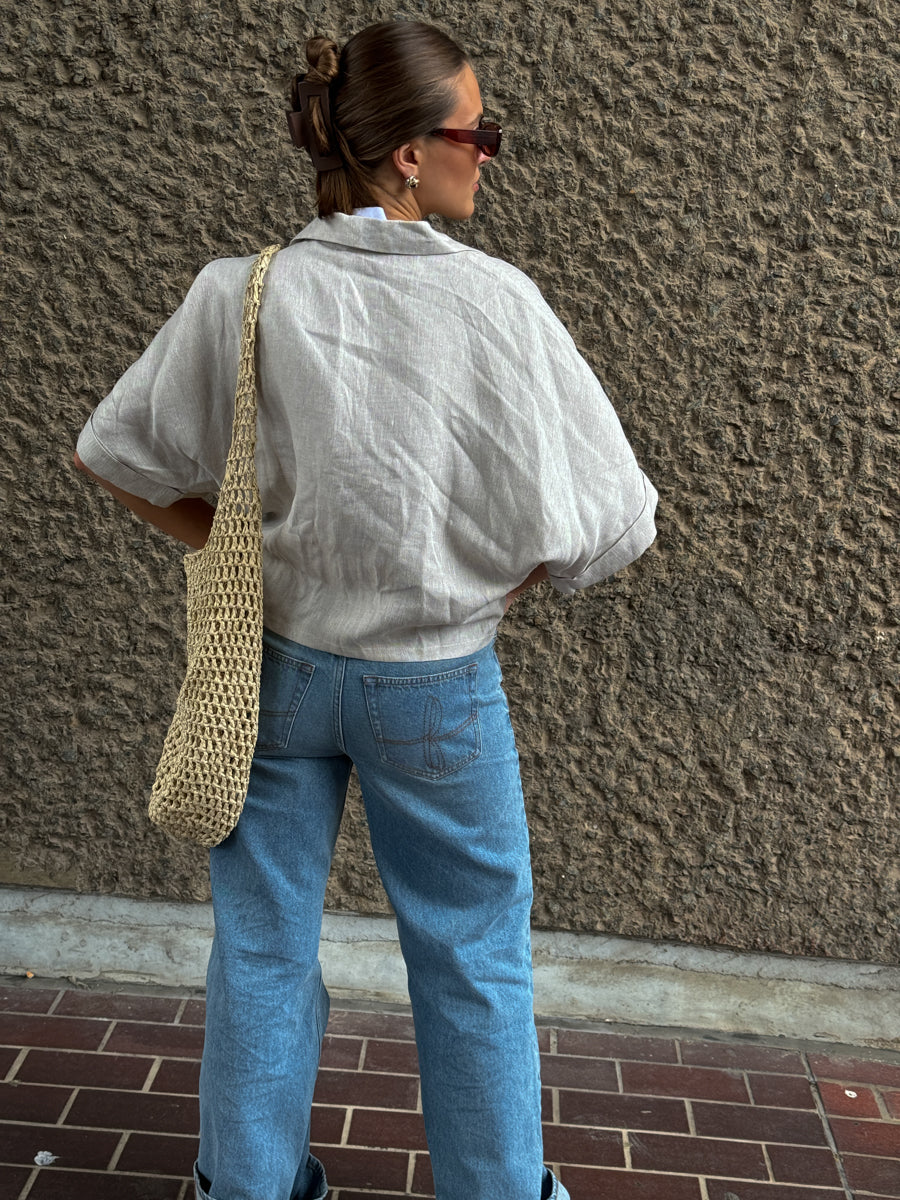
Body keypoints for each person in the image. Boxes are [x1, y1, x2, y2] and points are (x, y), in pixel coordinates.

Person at [74, 20, 658, 1200]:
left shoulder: (241, 293)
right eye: (476, 131)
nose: (488, 153)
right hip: (435, 686)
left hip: (277, 673)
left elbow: (113, 454)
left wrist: (233, 553)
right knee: (472, 958)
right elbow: (618, 518)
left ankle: (243, 1187)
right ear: (404, 153)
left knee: (263, 948)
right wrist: (498, 580)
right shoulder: (495, 306)